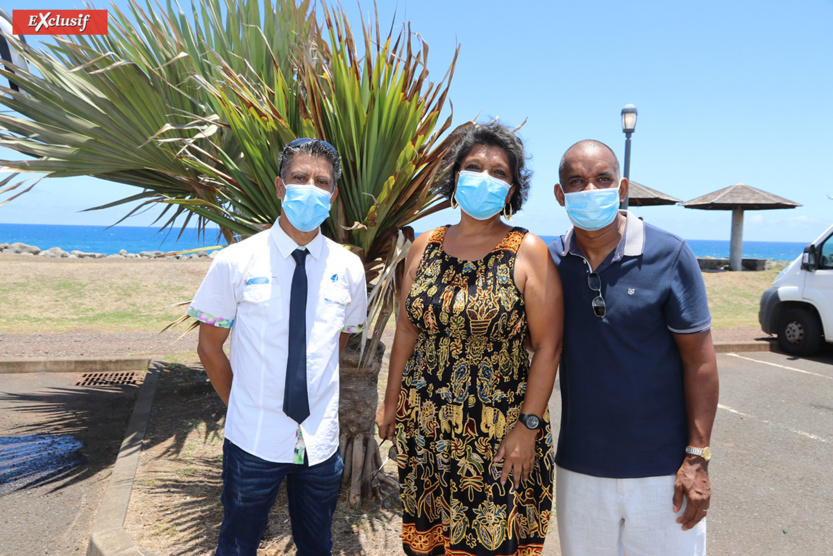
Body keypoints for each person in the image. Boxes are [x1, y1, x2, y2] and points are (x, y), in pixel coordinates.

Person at [376, 121, 563, 555]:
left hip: (499, 437)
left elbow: (549, 346)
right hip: (426, 429)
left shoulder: (527, 250)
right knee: (429, 543)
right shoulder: (425, 245)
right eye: (474, 166)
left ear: (513, 189)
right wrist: (390, 401)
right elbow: (406, 327)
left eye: (499, 172)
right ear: (455, 177)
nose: (485, 177)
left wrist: (528, 428)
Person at [189, 138, 367, 555]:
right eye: (299, 178)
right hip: (252, 438)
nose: (310, 187)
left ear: (334, 194)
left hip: (319, 442)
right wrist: (242, 405)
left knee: (316, 544)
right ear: (279, 187)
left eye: (321, 181)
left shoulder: (349, 268)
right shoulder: (235, 262)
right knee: (237, 544)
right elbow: (209, 348)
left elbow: (338, 340)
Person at [548, 139, 719, 556]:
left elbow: (699, 359)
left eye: (602, 179)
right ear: (560, 195)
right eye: (577, 181)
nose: (591, 191)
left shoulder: (670, 253)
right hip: (580, 469)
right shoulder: (551, 261)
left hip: (664, 472)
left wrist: (697, 459)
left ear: (622, 187)